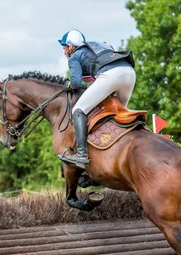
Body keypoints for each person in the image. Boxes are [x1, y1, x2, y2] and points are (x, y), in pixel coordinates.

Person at [58, 29, 136, 169]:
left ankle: (81, 155)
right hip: (129, 72)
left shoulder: (75, 55)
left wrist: (68, 84)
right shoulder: (98, 46)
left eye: (64, 48)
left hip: (111, 75)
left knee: (79, 109)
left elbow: (75, 83)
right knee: (120, 113)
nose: (64, 52)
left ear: (71, 47)